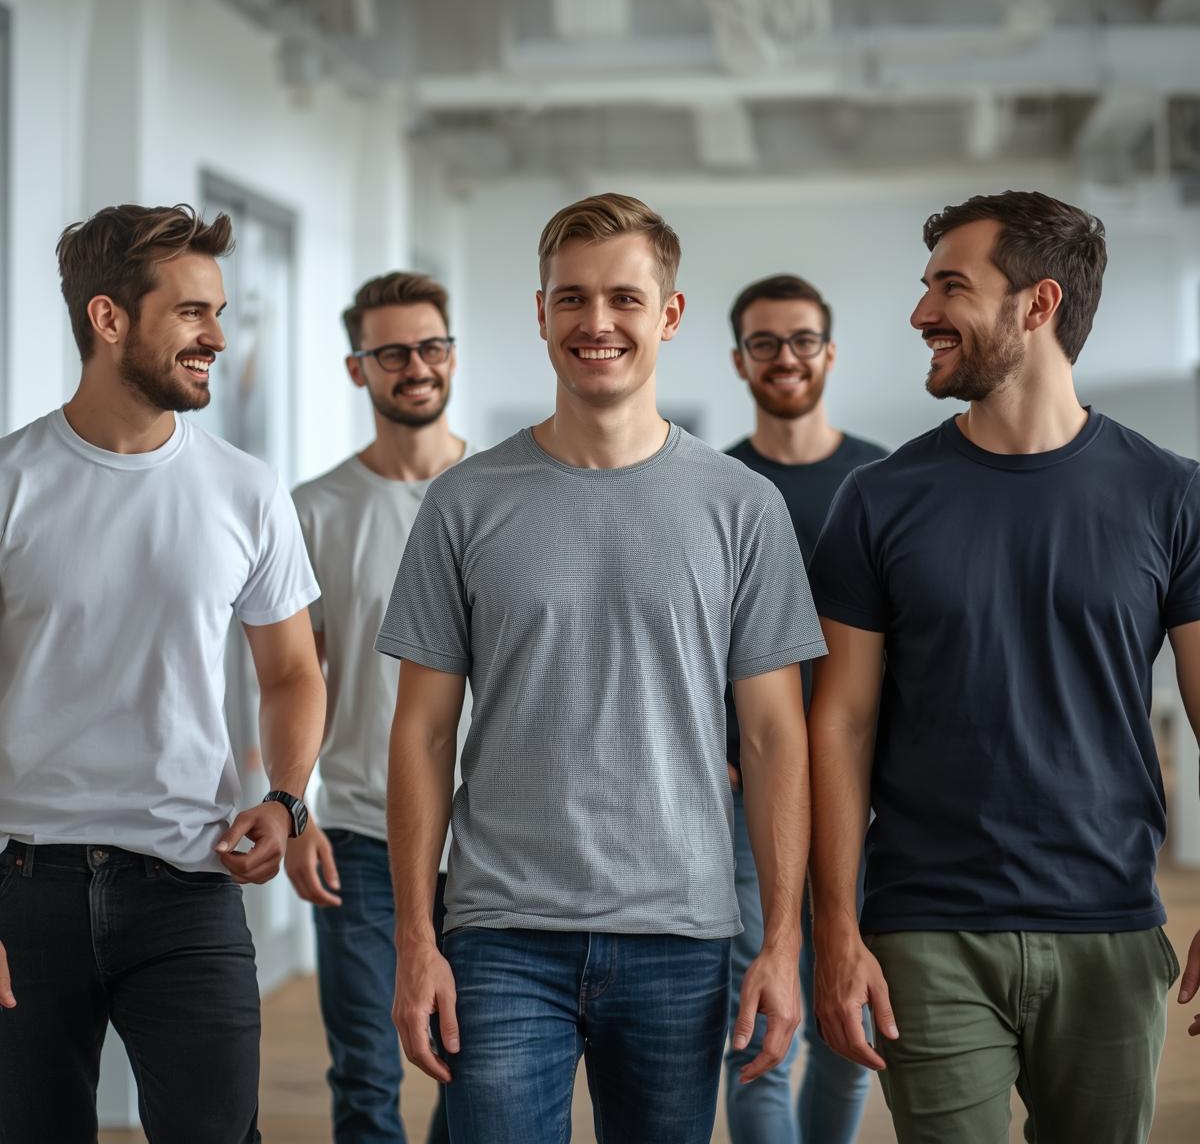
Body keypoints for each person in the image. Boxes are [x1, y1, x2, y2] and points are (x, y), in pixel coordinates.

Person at [377, 193, 825, 1144]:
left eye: (624, 298)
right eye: (571, 299)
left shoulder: (743, 508)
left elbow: (776, 735)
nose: (597, 323)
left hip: (681, 933)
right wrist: (416, 938)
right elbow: (419, 732)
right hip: (499, 933)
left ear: (669, 315)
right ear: (541, 312)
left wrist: (781, 942)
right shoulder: (462, 504)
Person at [807, 189, 1200, 1144]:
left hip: (1108, 921)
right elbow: (840, 725)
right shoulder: (878, 500)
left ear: (1038, 303)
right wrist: (835, 931)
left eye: (951, 285)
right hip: (927, 928)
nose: (920, 313)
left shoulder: (1170, 495)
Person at [0, 203, 325, 1144]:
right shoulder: (12, 485)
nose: (217, 337)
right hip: (22, 886)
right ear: (109, 321)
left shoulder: (246, 489)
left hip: (188, 881)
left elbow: (295, 671)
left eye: (218, 312)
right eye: (191, 313)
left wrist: (285, 797)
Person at [287, 271, 472, 1144]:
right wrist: (294, 808)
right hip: (362, 829)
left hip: (493, 838)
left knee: (477, 1070)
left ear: (452, 354)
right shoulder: (313, 511)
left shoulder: (504, 489)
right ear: (358, 369)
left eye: (431, 346)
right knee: (364, 1070)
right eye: (391, 352)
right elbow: (298, 678)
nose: (416, 367)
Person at [723, 274, 883, 1144]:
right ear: (740, 358)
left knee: (843, 1019)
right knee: (757, 1021)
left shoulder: (887, 478)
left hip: (860, 797)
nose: (785, 358)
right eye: (765, 343)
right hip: (744, 792)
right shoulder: (710, 481)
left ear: (829, 351)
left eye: (802, 340)